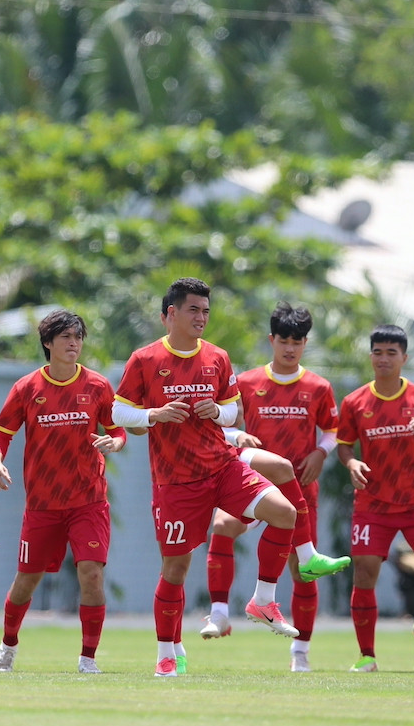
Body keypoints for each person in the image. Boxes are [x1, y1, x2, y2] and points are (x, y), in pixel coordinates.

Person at [110, 278, 302, 678]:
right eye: (194, 310)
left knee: (285, 513)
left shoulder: (217, 357)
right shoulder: (145, 359)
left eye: (206, 311)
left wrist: (217, 412)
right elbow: (118, 413)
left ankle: (263, 601)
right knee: (175, 571)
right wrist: (154, 415)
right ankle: (167, 651)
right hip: (176, 481)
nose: (202, 317)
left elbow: (232, 411)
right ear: (170, 315)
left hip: (222, 465)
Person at [199, 302, 350, 672]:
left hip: (299, 490)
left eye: (297, 342)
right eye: (284, 340)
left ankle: (300, 653)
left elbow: (333, 430)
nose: (290, 348)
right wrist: (238, 436)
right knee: (221, 526)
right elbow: (224, 425)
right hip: (250, 484)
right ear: (272, 340)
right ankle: (219, 614)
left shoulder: (318, 386)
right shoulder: (248, 382)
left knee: (303, 572)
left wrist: (320, 451)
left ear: (305, 343)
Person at [0, 310, 128, 674]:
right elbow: (1, 435)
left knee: (91, 573)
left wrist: (114, 442)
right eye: (66, 337)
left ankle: (88, 659)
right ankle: (8, 646)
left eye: (78, 337)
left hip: (88, 502)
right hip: (43, 505)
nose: (73, 344)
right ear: (48, 343)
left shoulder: (97, 386)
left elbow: (118, 430)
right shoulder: (26, 388)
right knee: (26, 581)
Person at [337, 324, 414, 672]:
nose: (384, 358)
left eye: (391, 352)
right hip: (373, 504)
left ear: (404, 357)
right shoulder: (355, 402)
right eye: (378, 352)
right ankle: (367, 656)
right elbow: (343, 445)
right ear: (371, 356)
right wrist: (352, 460)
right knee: (365, 572)